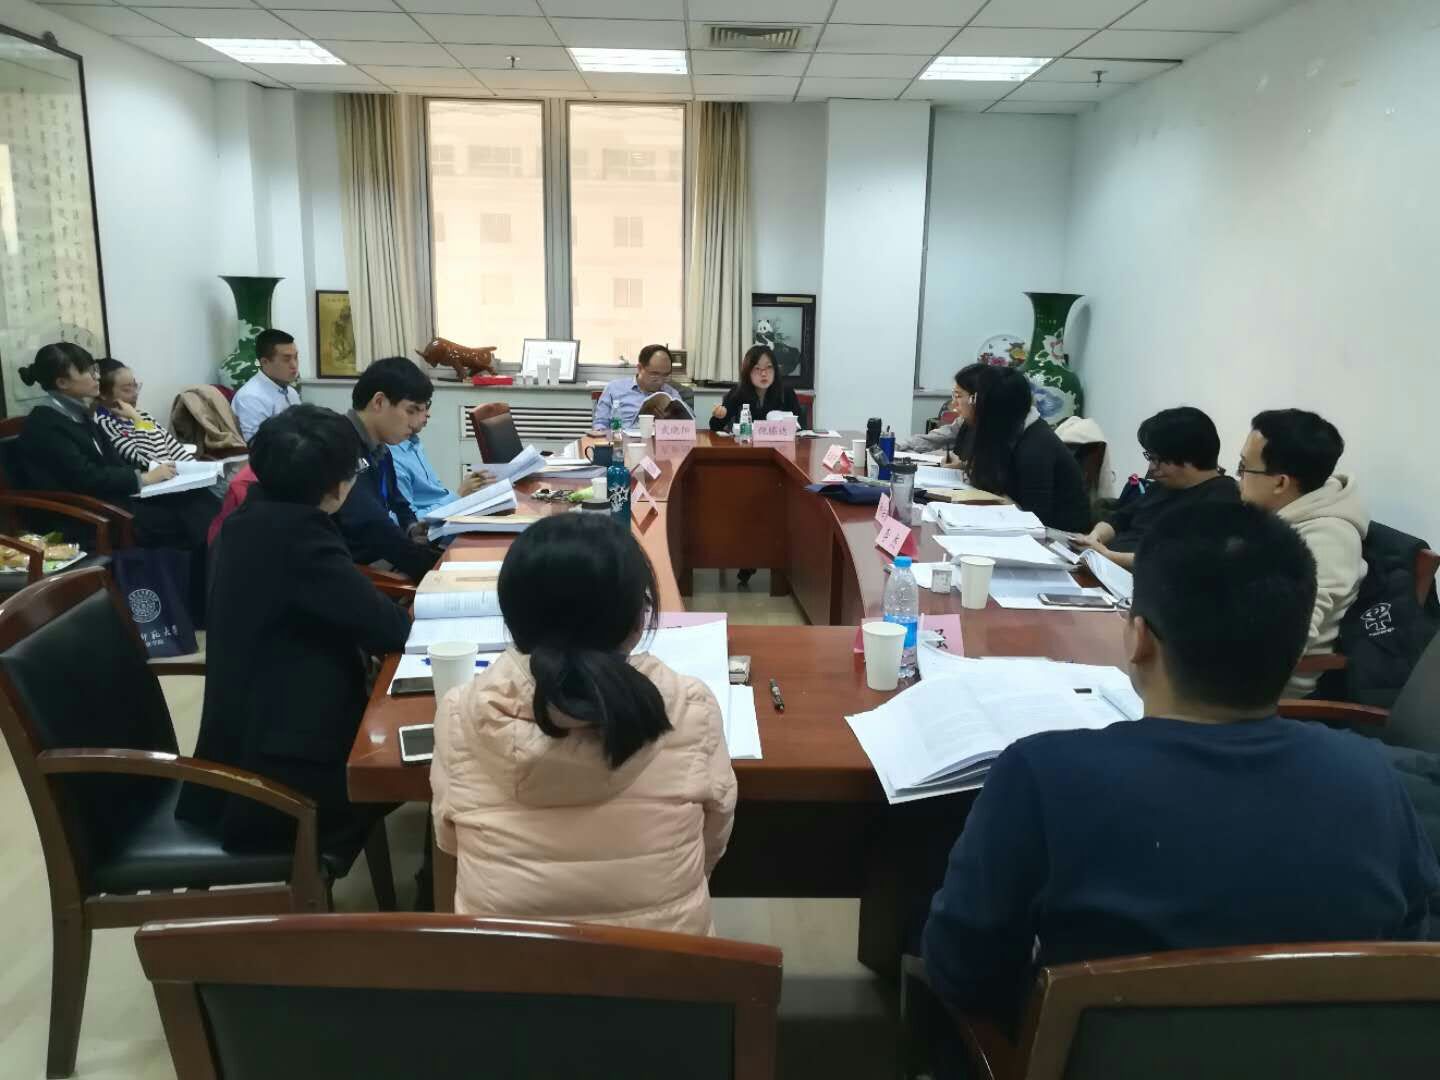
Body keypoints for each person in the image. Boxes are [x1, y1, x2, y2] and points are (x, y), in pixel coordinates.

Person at [923, 502, 1438, 1035]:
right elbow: (1405, 955)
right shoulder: (1373, 777)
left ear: (1139, 638)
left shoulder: (1041, 776)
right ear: (1293, 647)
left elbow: (962, 972)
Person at [431, 512, 737, 933]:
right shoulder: (692, 707)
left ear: (513, 619)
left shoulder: (459, 714)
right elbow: (711, 840)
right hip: (665, 969)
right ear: (637, 620)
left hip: (506, 970)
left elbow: (451, 842)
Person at [178, 404, 411, 854]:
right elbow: (389, 629)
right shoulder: (299, 538)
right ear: (338, 486)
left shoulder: (250, 519)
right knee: (438, 762)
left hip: (244, 748)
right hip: (277, 786)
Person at [16, 342, 217, 550]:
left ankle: (215, 564)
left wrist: (149, 478)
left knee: (197, 499)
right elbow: (84, 477)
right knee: (186, 517)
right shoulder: (46, 423)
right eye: (87, 371)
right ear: (62, 382)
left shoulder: (79, 414)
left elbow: (113, 461)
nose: (96, 376)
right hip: (83, 513)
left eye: (94, 369)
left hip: (110, 498)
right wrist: (143, 478)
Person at [1238, 409, 1368, 697]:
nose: (1239, 478)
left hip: (1260, 693)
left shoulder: (1328, 540)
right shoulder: (1268, 515)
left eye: (1244, 468)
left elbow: (1283, 638)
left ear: (1281, 483)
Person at [1076, 406, 1239, 569]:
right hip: (1103, 564)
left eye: (1156, 459)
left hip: (1136, 576)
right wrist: (1094, 537)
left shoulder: (1222, 498)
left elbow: (1179, 559)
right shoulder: (1164, 485)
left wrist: (1108, 556)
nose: (1151, 468)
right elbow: (1120, 518)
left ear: (1188, 459)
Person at [336, 356, 442, 581]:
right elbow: (371, 525)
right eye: (411, 411)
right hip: (358, 571)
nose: (416, 423)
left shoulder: (379, 447)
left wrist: (413, 528)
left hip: (386, 556)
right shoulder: (342, 446)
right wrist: (434, 570)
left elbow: (397, 501)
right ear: (379, 402)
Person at [961, 366, 1090, 532]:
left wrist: (1000, 500)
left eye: (975, 399)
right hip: (1017, 525)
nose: (972, 404)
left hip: (1059, 537)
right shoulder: (1009, 430)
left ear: (995, 408)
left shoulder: (1036, 446)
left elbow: (1037, 519)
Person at [389, 402, 493, 520]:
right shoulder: (394, 459)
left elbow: (437, 495)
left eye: (428, 406)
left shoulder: (414, 444)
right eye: (421, 408)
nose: (428, 414)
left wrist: (464, 494)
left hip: (446, 516)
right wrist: (459, 495)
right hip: (434, 527)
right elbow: (411, 522)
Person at [93, 358, 195, 468]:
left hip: (176, 475)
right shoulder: (105, 424)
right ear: (103, 394)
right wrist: (136, 419)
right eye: (127, 389)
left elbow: (173, 448)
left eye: (135, 386)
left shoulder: (144, 417)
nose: (135, 393)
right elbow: (147, 463)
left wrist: (196, 468)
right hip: (154, 477)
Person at [709, 345, 809, 432]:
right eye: (757, 368)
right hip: (747, 446)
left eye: (769, 367)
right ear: (748, 371)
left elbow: (801, 427)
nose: (764, 373)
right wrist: (720, 416)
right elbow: (714, 426)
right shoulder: (738, 392)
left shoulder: (786, 392)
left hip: (779, 446)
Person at [592, 344, 693, 431]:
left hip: (656, 444)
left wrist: (668, 423)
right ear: (640, 368)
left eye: (665, 375)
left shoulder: (671, 394)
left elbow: (690, 426)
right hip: (621, 441)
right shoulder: (614, 388)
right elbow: (600, 424)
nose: (660, 380)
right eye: (654, 374)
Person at [898, 362, 985, 454]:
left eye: (958, 396)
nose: (953, 403)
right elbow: (935, 438)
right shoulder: (963, 422)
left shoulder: (993, 431)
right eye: (954, 396)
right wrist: (900, 445)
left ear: (976, 398)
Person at [232, 329, 301, 442]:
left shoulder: (291, 392)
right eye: (286, 359)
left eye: (296, 357)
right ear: (265, 362)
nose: (294, 365)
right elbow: (256, 445)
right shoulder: (251, 397)